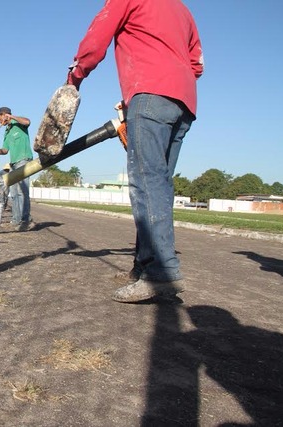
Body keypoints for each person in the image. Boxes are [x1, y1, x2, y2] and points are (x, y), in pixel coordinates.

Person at [66, 0, 204, 303]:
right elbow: (197, 65)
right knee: (160, 184)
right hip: (183, 102)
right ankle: (143, 267)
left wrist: (74, 77)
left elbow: (96, 39)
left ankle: (161, 274)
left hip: (150, 93)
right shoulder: (182, 10)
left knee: (146, 183)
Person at [0, 107, 33, 231]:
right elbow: (4, 150)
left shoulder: (18, 123)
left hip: (24, 160)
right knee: (14, 193)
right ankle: (16, 219)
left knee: (22, 191)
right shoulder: (7, 132)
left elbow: (27, 122)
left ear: (5, 115)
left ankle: (25, 220)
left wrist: (12, 117)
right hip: (13, 164)